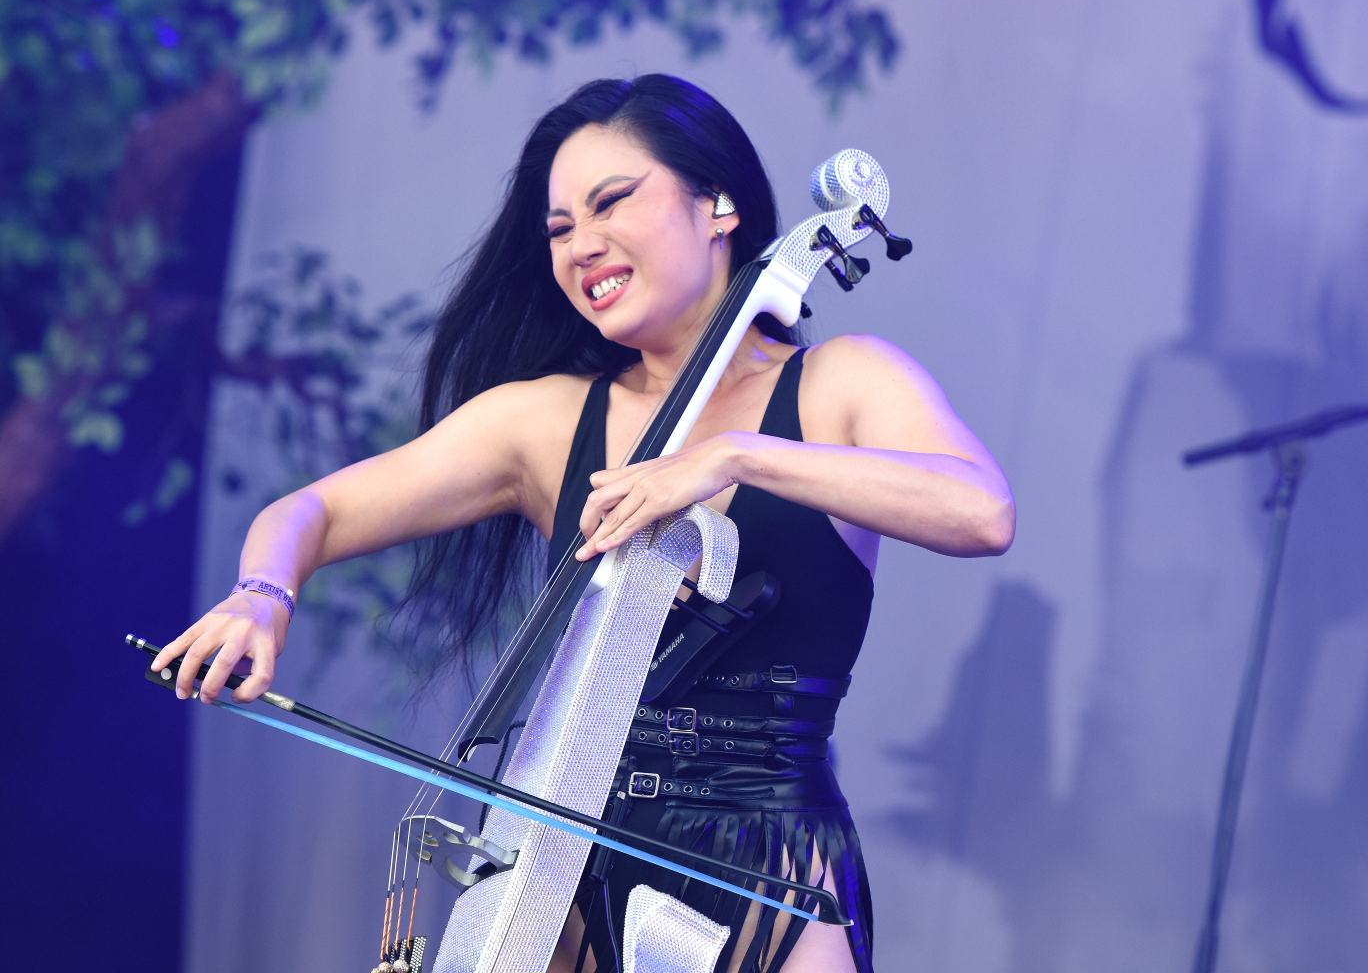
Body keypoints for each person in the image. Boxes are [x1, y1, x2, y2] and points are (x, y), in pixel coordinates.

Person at [153, 74, 1014, 973]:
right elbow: (314, 509)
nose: (581, 246)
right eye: (560, 228)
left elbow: (981, 510)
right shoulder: (547, 421)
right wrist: (262, 593)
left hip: (776, 865)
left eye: (612, 202)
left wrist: (738, 457)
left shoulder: (843, 383)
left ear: (717, 206)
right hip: (563, 858)